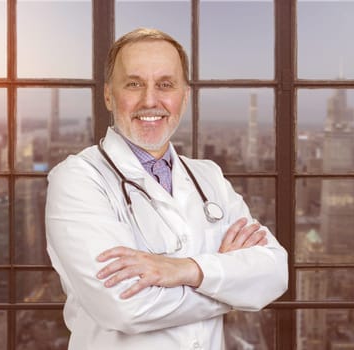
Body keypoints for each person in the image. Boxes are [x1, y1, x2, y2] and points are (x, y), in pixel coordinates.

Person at [45, 27, 288, 350]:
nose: (150, 100)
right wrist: (229, 288)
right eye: (133, 84)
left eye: (165, 85)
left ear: (184, 97)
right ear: (108, 95)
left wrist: (185, 269)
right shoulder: (78, 179)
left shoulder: (209, 177)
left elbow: (274, 272)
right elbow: (125, 307)